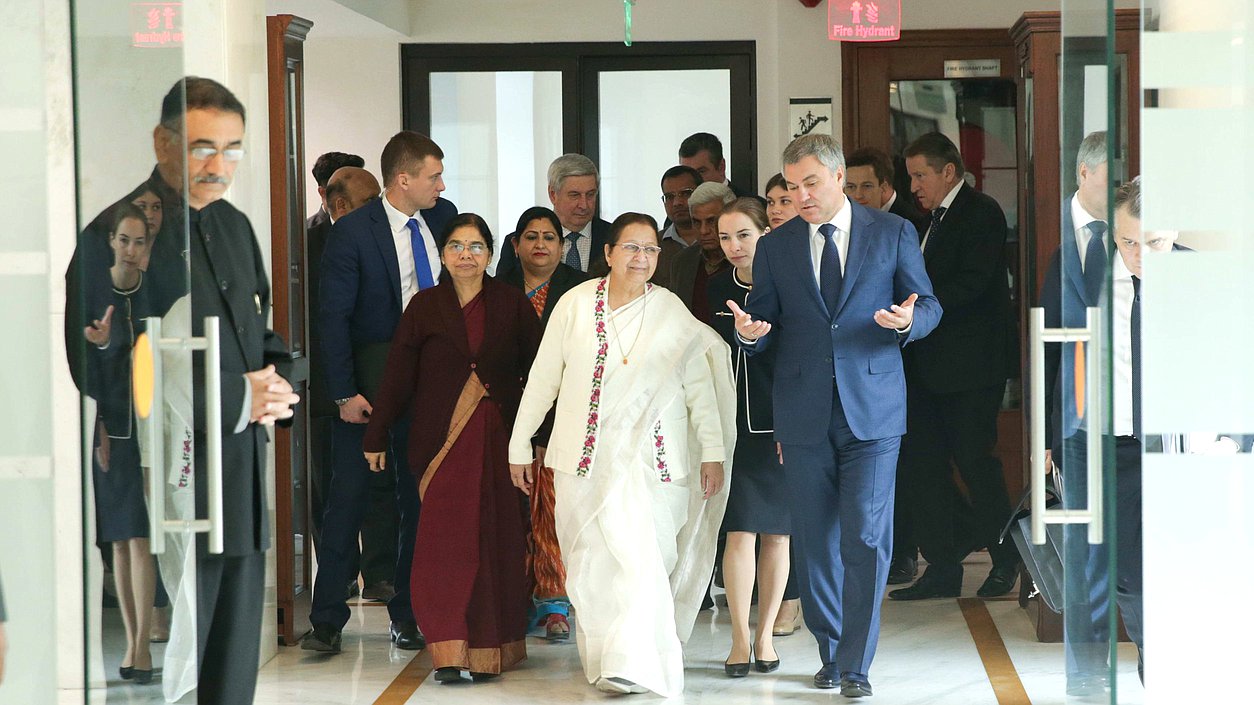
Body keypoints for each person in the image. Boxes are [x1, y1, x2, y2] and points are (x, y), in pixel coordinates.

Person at [727, 133, 941, 697]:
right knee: (816, 540)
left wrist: (906, 324)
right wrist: (749, 336)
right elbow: (763, 322)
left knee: (865, 539)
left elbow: (930, 305)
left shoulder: (892, 231)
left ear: (838, 177)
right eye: (791, 187)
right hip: (802, 413)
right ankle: (830, 648)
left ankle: (856, 664)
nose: (800, 196)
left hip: (872, 411)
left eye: (810, 184)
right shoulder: (775, 247)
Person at [508, 213, 736, 697]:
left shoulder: (671, 311)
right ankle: (607, 658)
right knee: (592, 563)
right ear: (607, 253)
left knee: (642, 561)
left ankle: (633, 662)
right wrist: (519, 443)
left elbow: (699, 390)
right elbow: (544, 378)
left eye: (651, 249)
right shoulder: (574, 305)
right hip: (584, 461)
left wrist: (712, 453)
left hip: (652, 464)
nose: (641, 258)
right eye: (631, 248)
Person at [162, 76, 301, 705]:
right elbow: (119, 372)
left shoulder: (234, 224)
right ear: (164, 143)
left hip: (239, 476)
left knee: (234, 659)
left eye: (233, 148)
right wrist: (238, 397)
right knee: (183, 660)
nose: (220, 166)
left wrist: (279, 386)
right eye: (201, 148)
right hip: (174, 481)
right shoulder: (131, 231)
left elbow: (259, 328)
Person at [363, 213, 540, 683]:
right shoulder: (425, 307)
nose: (467, 255)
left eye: (477, 246)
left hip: (499, 443)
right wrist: (376, 434)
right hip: (438, 445)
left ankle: (488, 650)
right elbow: (398, 376)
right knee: (443, 546)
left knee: (494, 541)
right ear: (442, 255)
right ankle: (447, 652)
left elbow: (540, 374)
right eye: (457, 246)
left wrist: (539, 439)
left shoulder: (510, 304)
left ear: (491, 254)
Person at [308, 131, 457, 653]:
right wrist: (344, 392)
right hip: (368, 382)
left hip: (431, 381)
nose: (442, 184)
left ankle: (409, 612)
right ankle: (326, 617)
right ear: (404, 179)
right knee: (348, 495)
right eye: (433, 176)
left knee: (417, 497)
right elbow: (332, 319)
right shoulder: (352, 233)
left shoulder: (443, 220)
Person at [888, 132, 1018, 601]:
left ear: (949, 171)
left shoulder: (980, 211)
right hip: (927, 368)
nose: (914, 185)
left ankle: (1007, 560)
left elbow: (974, 283)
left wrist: (919, 310)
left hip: (970, 369)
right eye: (910, 177)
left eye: (920, 175)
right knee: (924, 467)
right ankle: (943, 564)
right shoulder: (929, 221)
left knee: (975, 463)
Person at [1037, 131, 1114, 696]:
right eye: (1106, 179)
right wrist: (1042, 432)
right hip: (1074, 415)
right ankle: (1086, 653)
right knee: (1084, 535)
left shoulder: (1128, 234)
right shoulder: (1054, 234)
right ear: (1084, 174)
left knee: (1123, 533)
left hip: (1127, 413)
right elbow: (1043, 346)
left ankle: (1123, 636)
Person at [707, 198, 791, 678]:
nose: (734, 246)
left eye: (744, 235)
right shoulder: (717, 287)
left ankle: (765, 637)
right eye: (724, 237)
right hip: (727, 426)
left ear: (765, 233)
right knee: (738, 532)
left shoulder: (787, 283)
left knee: (777, 532)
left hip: (776, 426)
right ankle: (739, 638)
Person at [497, 206, 588, 641]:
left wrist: (545, 429)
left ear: (561, 245)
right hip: (503, 414)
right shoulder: (497, 291)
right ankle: (514, 599)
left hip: (562, 418)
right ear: (515, 245)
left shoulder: (581, 291)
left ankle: (555, 604)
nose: (539, 245)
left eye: (549, 237)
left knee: (551, 511)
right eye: (530, 236)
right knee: (510, 514)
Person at [307, 162, 394, 601]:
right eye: (367, 202)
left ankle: (380, 575)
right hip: (326, 389)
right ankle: (335, 581)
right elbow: (318, 320)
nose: (377, 209)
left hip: (376, 384)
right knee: (332, 491)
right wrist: (336, 389)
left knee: (379, 485)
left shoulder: (384, 236)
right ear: (339, 204)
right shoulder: (307, 239)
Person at [81, 204, 159, 685]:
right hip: (110, 429)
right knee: (119, 538)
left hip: (151, 428)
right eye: (125, 240)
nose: (131, 251)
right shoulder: (95, 294)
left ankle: (142, 647)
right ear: (112, 240)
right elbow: (88, 369)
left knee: (142, 538)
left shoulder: (153, 293)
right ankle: (133, 643)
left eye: (140, 242)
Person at [495, 154, 612, 276]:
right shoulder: (520, 243)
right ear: (553, 195)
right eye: (574, 195)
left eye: (590, 194)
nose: (584, 205)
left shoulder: (614, 237)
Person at [671, 182, 734, 322]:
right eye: (697, 222)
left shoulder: (745, 259)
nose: (703, 231)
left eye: (711, 221)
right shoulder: (682, 262)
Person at [654, 165, 703, 289]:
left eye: (685, 193)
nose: (677, 203)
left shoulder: (717, 240)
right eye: (670, 197)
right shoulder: (654, 245)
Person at [679, 132, 751, 197]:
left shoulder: (751, 207)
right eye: (687, 173)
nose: (693, 180)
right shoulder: (680, 207)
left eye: (701, 172)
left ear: (721, 167)